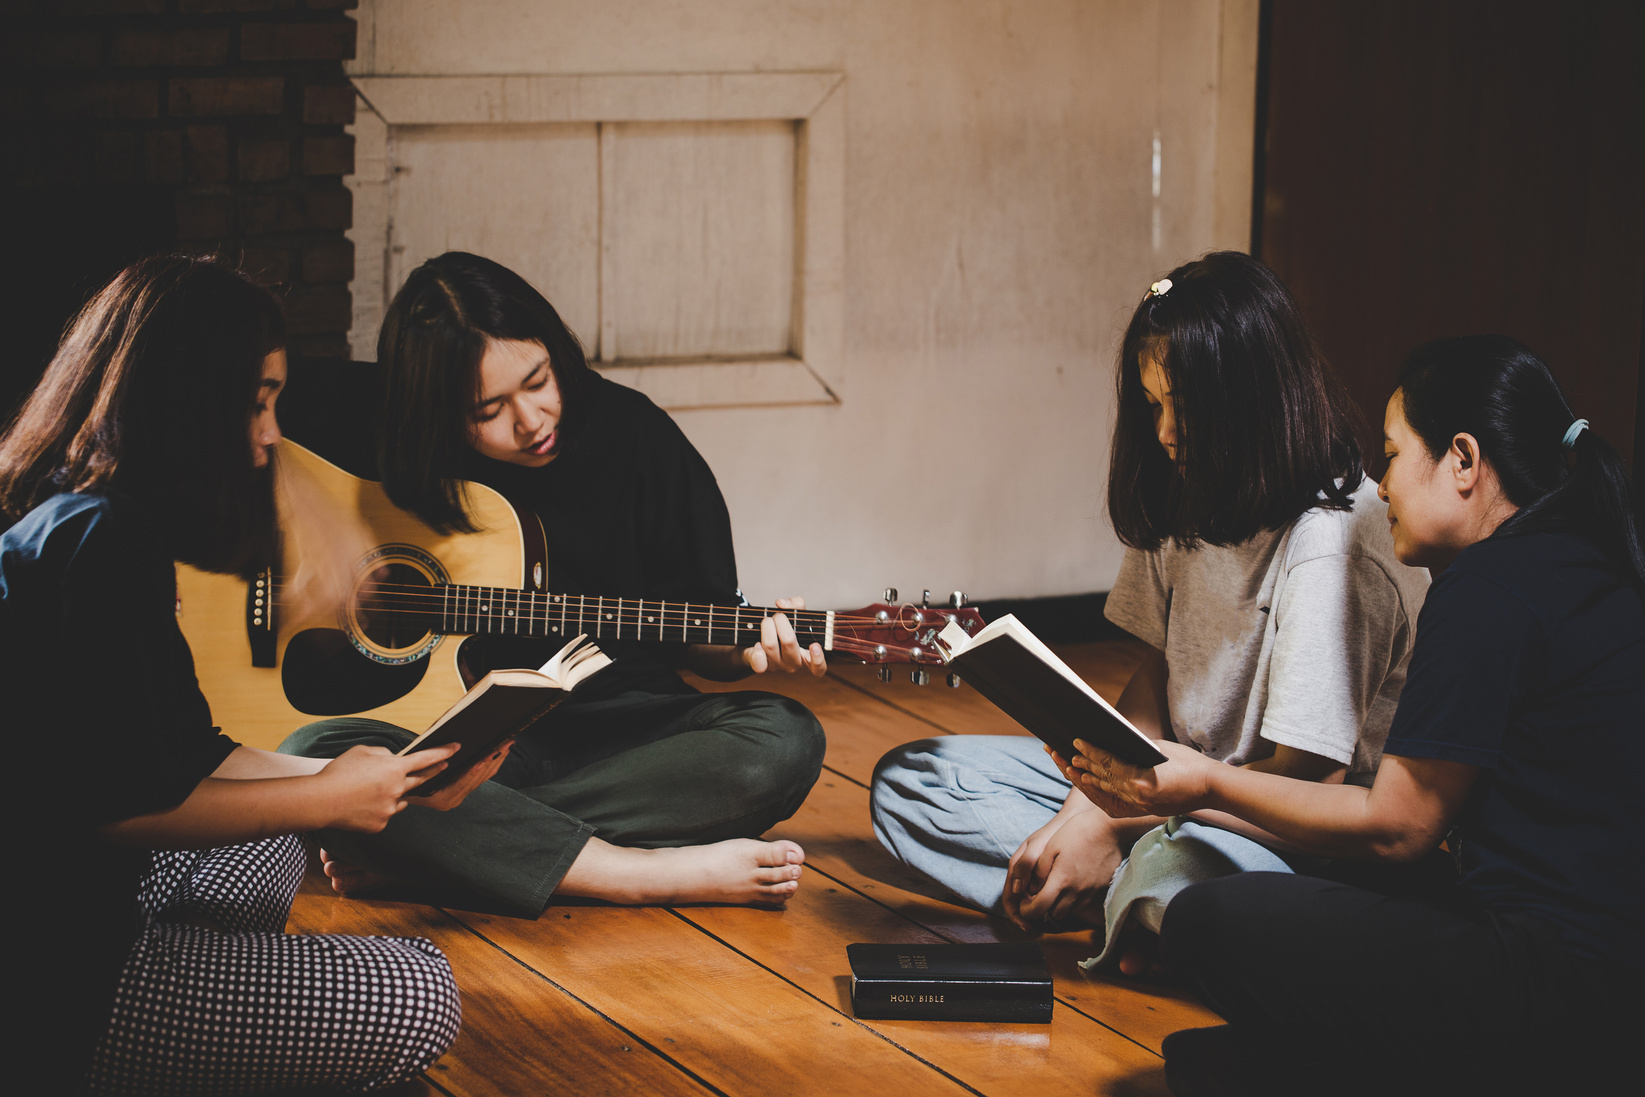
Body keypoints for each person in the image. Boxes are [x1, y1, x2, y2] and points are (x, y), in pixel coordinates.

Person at [1062, 335, 1644, 1095]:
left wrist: (1204, 781)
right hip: (1596, 982)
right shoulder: (1580, 559)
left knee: (1210, 923)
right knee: (1214, 1052)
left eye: (1394, 455)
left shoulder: (1486, 587)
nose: (1381, 486)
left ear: (1462, 462)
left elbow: (1398, 828)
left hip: (1548, 987)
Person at [870, 252, 1429, 965]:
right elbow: (1156, 672)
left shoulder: (1330, 542)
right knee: (914, 781)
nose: (1165, 434)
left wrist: (1120, 822)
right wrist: (1087, 805)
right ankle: (1113, 895)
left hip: (1275, 827)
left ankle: (1120, 889)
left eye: (1186, 408)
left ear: (1255, 396)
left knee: (1181, 879)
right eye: (1152, 404)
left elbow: (1304, 788)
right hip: (1164, 786)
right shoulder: (1188, 488)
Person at [0, 256, 468, 1094]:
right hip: (57, 982)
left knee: (276, 840)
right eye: (257, 401)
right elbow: (118, 809)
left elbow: (183, 751)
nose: (272, 432)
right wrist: (330, 799)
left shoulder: (86, 514)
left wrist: (377, 781)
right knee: (420, 990)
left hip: (88, 901)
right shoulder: (100, 545)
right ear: (188, 398)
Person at [280, 251, 827, 915]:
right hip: (451, 745)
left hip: (621, 738)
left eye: (538, 380)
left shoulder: (637, 437)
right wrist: (310, 545)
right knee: (310, 750)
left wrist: (747, 648)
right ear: (430, 412)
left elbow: (701, 630)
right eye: (489, 409)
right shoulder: (368, 425)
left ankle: (434, 848)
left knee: (784, 740)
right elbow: (216, 409)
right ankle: (629, 871)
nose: (533, 418)